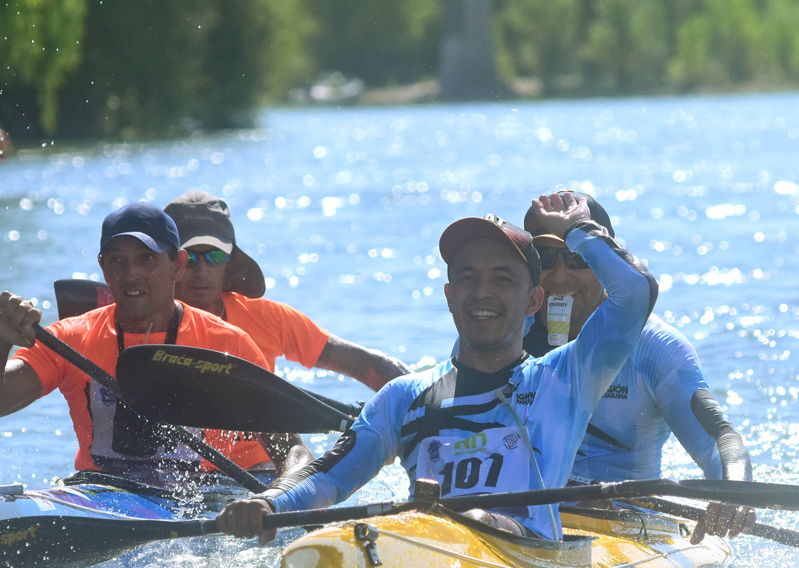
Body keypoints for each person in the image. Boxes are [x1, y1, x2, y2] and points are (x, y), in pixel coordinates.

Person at [216, 190, 657, 544]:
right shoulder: (403, 397)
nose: (482, 293)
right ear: (449, 296)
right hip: (425, 549)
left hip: (529, 556)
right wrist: (271, 504)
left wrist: (580, 230)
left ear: (533, 301)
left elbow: (635, 293)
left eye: (502, 279)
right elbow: (328, 477)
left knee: (474, 515)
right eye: (468, 278)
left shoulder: (565, 379)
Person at [0, 201, 276, 486]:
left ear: (177, 264)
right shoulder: (71, 339)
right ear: (103, 267)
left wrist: (270, 499)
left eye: (146, 258)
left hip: (200, 499)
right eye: (117, 261)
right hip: (100, 495)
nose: (131, 273)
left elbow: (294, 454)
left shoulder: (228, 345)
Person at [523, 193, 755, 543]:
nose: (558, 277)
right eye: (544, 260)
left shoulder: (656, 347)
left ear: (605, 262)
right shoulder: (505, 341)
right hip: (523, 513)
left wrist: (732, 491)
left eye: (577, 259)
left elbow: (717, 439)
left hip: (625, 523)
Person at [165, 190, 410, 389]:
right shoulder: (141, 323)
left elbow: (367, 366)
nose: (203, 271)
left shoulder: (270, 318)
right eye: (191, 258)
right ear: (173, 263)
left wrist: (427, 404)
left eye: (215, 255)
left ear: (230, 262)